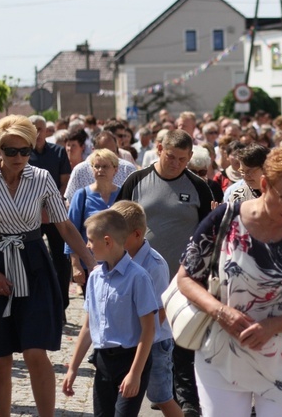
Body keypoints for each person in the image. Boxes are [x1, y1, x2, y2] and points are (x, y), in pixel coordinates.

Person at [177, 145, 282, 416]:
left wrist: (272, 326)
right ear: (265, 183)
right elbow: (185, 278)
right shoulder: (224, 219)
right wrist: (222, 312)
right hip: (222, 349)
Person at [0, 115, 97, 417]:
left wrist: (90, 261)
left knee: (36, 352)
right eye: (11, 151)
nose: (19, 157)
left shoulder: (42, 178)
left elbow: (64, 225)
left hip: (33, 263)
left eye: (25, 151)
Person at [116, 129, 213, 417]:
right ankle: (144, 391)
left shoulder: (198, 186)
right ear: (159, 149)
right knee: (144, 336)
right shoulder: (137, 181)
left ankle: (185, 400)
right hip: (140, 277)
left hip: (184, 278)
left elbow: (208, 232)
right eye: (171, 157)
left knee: (182, 338)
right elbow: (118, 221)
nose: (176, 164)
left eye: (183, 159)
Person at [62, 210, 157, 417]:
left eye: (90, 240)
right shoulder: (95, 278)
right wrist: (73, 368)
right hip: (104, 361)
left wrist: (135, 373)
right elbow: (88, 327)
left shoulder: (138, 278)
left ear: (107, 241)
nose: (87, 245)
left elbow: (148, 329)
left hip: (130, 359)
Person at [111, 201, 183, 417]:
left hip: (155, 342)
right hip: (127, 340)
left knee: (161, 398)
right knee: (121, 395)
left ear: (136, 234)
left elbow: (160, 311)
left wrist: (141, 339)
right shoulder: (117, 258)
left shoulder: (154, 264)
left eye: (118, 235)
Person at [28, 115, 73, 313]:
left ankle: (61, 305)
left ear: (47, 131)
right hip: (30, 215)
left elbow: (65, 181)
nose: (37, 133)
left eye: (40, 128)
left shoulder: (58, 152)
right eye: (33, 128)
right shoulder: (22, 154)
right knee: (31, 259)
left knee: (61, 261)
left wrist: (51, 205)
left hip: (54, 214)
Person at [65, 148, 121, 294]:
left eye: (105, 166)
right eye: (97, 166)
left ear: (115, 169)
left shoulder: (124, 194)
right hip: (90, 263)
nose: (100, 170)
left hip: (119, 263)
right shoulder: (82, 195)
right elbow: (71, 231)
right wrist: (75, 264)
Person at [64, 131, 137, 203]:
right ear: (93, 150)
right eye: (104, 153)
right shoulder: (80, 171)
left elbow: (137, 199)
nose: (109, 157)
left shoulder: (128, 169)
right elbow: (70, 202)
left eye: (113, 152)